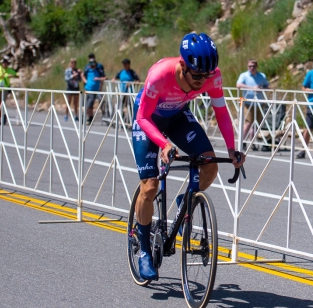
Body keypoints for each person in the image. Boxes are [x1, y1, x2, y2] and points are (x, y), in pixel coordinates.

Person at [131, 32, 244, 280]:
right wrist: (163, 144)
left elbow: (222, 113)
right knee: (150, 187)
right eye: (197, 76)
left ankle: (185, 200)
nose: (202, 81)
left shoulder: (211, 76)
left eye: (206, 75)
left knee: (210, 165)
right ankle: (144, 252)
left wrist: (232, 150)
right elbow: (142, 117)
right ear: (183, 65)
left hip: (178, 117)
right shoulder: (160, 75)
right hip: (149, 120)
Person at [236, 59, 269, 151]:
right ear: (247, 67)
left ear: (256, 66)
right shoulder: (244, 75)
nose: (252, 68)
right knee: (248, 123)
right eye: (250, 66)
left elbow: (268, 86)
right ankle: (242, 142)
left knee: (256, 124)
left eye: (253, 66)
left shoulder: (262, 76)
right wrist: (252, 88)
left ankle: (252, 142)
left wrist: (261, 88)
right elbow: (238, 85)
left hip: (259, 102)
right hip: (248, 102)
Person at [0, 56, 17, 125]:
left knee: (2, 103)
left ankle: (0, 117)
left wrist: (10, 75)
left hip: (4, 89)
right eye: (3, 63)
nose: (5, 64)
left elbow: (16, 75)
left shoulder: (9, 70)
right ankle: (1, 116)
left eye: (6, 63)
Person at [114, 58, 141, 124]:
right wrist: (114, 81)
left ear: (129, 64)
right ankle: (121, 118)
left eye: (126, 64)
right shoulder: (121, 72)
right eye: (124, 64)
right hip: (122, 92)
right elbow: (114, 78)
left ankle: (131, 119)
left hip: (130, 92)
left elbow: (138, 80)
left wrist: (131, 83)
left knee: (130, 106)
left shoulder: (132, 72)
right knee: (121, 105)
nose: (124, 65)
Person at [82, 54, 106, 124]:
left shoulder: (99, 68)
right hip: (87, 89)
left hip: (95, 90)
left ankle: (104, 116)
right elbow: (83, 75)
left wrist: (100, 83)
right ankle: (89, 117)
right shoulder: (87, 68)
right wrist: (85, 81)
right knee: (87, 104)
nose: (91, 64)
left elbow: (104, 77)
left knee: (94, 103)